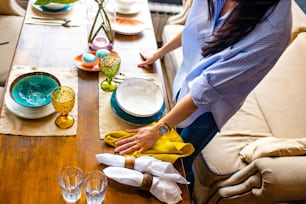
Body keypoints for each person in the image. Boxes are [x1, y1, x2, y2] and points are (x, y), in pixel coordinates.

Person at [114, 0, 292, 193]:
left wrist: (158, 129)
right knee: (163, 149)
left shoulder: (272, 33)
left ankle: (183, 193)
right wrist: (159, 53)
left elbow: (205, 89)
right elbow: (198, 29)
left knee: (179, 163)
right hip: (189, 85)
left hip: (209, 110)